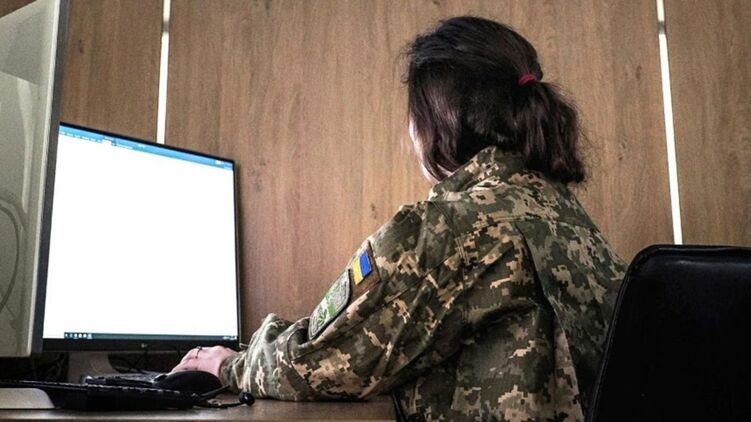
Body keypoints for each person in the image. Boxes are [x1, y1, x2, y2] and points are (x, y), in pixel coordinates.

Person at [173, 16, 627, 421]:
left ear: (440, 119)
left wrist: (228, 365)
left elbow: (316, 364)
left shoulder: (452, 228)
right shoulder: (564, 215)